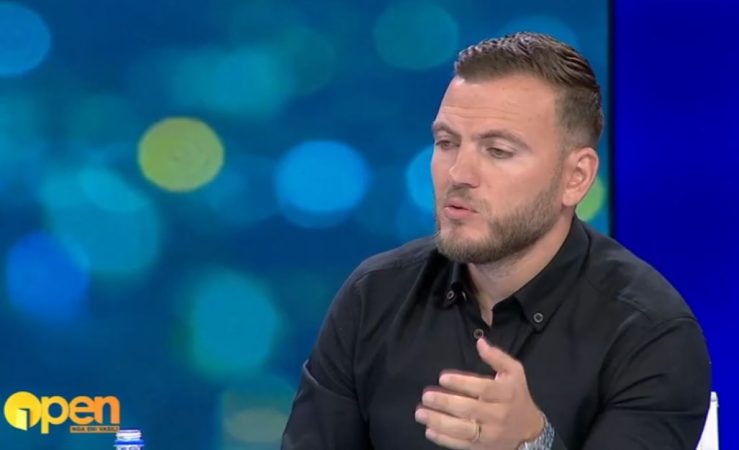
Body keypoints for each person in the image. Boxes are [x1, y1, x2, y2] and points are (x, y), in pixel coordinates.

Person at [281, 32, 711, 450]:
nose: (458, 174)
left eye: (498, 151)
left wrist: (530, 444)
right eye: (446, 142)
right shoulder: (374, 297)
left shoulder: (652, 334)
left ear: (575, 177)